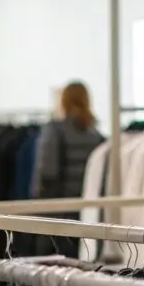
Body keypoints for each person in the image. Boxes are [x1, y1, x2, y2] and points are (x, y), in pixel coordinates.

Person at [30, 80, 104, 257]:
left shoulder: (54, 130)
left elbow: (46, 174)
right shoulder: (97, 136)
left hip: (58, 214)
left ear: (63, 101)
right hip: (88, 215)